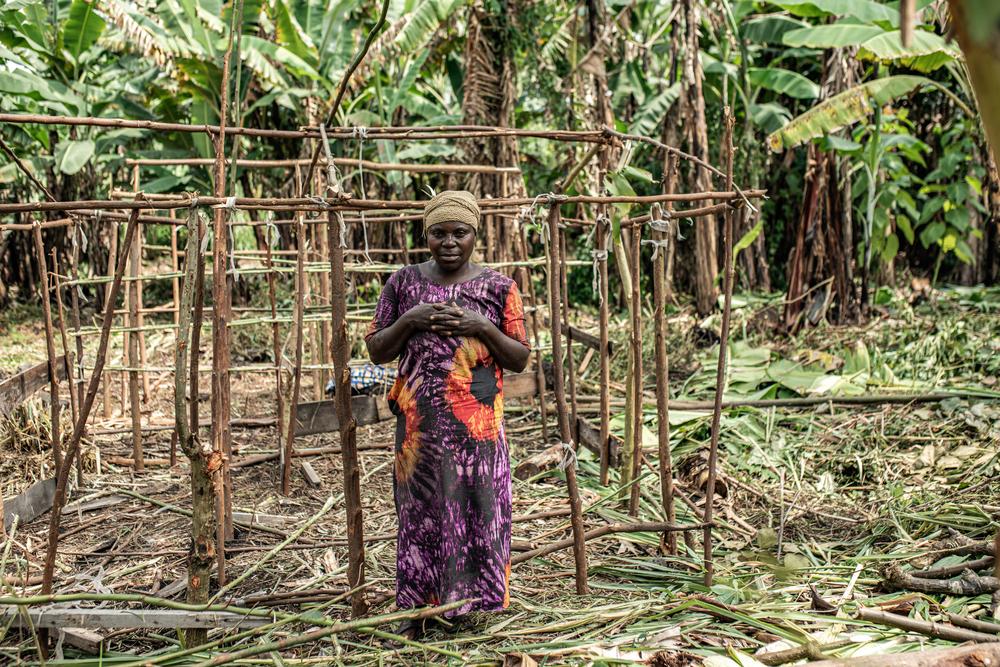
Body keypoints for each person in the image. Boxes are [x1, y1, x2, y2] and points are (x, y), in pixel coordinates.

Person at [364, 190, 531, 641]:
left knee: (477, 509)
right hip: (419, 431)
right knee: (418, 513)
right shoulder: (403, 284)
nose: (450, 242)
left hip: (478, 432)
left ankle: (464, 605)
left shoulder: (499, 288)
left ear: (476, 234)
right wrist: (412, 319)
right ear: (426, 234)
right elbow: (377, 349)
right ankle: (417, 608)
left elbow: (519, 359)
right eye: (439, 233)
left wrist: (482, 327)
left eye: (460, 233)